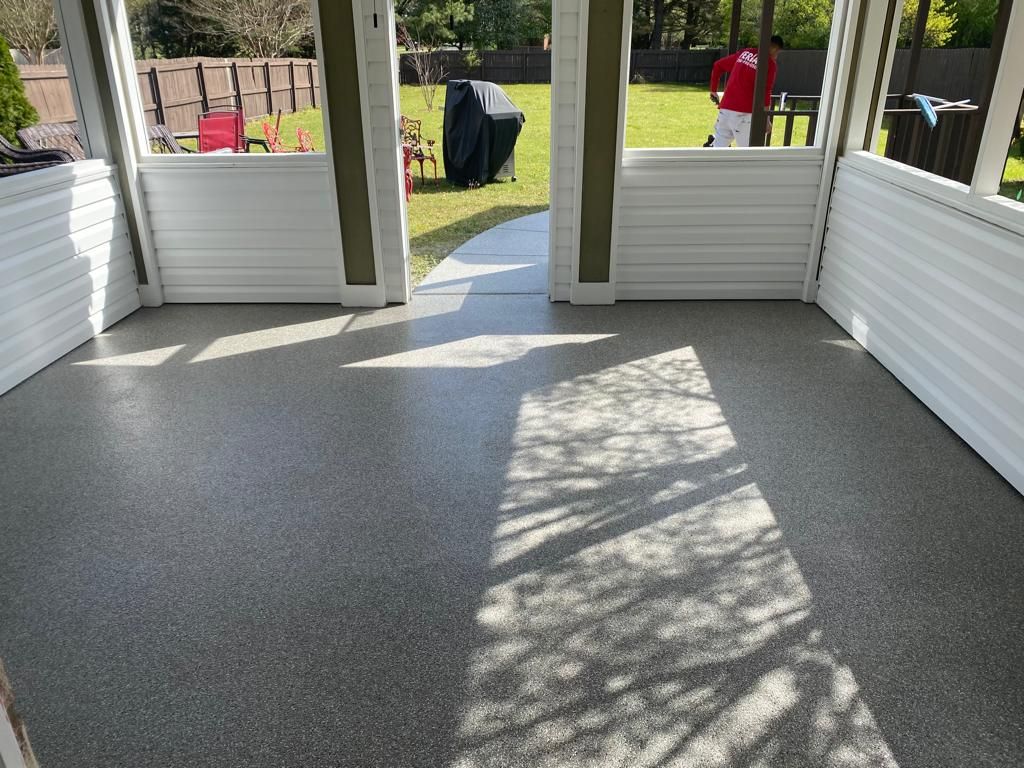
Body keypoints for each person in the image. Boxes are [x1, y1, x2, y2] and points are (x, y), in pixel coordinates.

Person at [707, 35, 785, 147]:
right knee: (749, 152)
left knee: (718, 149)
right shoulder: (769, 64)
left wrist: (713, 90)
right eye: (777, 52)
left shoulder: (744, 53)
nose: (776, 55)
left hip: (725, 110)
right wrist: (766, 118)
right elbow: (766, 91)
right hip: (744, 114)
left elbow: (718, 65)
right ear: (773, 48)